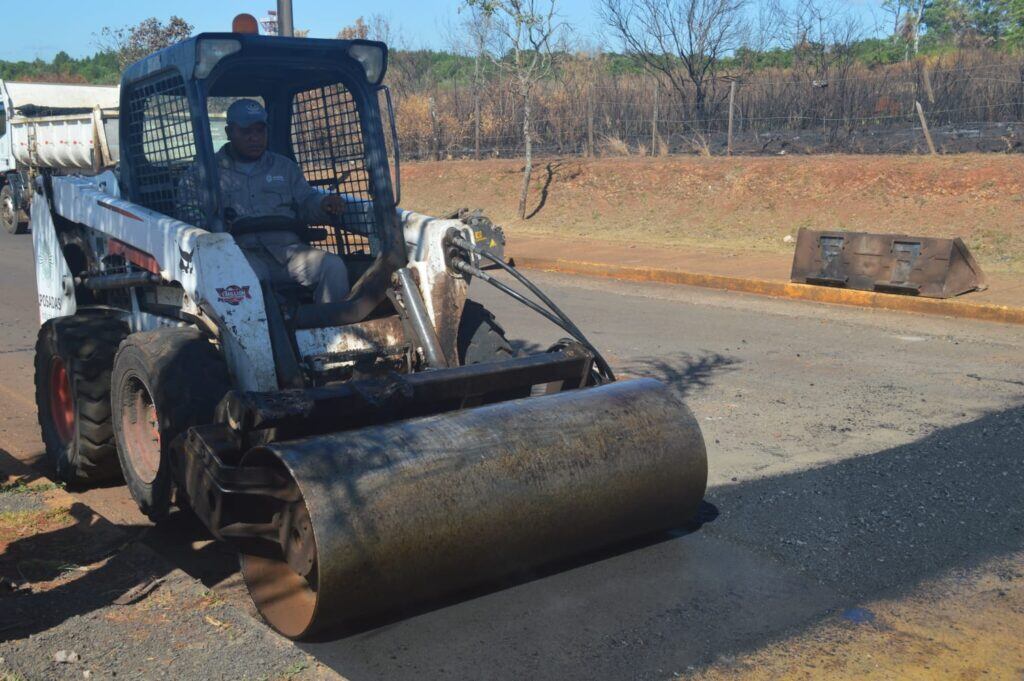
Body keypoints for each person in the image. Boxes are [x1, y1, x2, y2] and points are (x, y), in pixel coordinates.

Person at [214, 98, 351, 304]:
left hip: (287, 251)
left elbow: (306, 200)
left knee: (333, 267)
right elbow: (193, 219)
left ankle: (331, 331)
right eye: (246, 132)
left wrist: (323, 204)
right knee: (253, 280)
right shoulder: (206, 172)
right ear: (229, 132)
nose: (255, 138)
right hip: (238, 255)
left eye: (260, 131)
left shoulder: (284, 167)